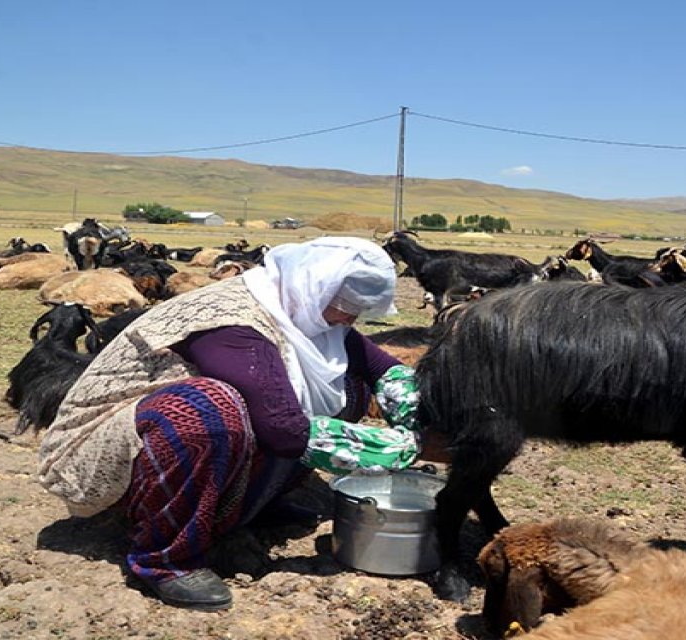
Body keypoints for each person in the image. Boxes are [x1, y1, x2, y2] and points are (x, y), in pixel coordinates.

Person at [38, 237, 432, 611]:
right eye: (344, 304)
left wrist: (419, 416)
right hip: (111, 442)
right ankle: (164, 558)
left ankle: (250, 503)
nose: (349, 317)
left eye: (358, 309)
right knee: (205, 411)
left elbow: (383, 369)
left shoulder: (305, 311)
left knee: (347, 384)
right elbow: (282, 428)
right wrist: (399, 449)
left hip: (204, 441)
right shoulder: (232, 320)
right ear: (312, 285)